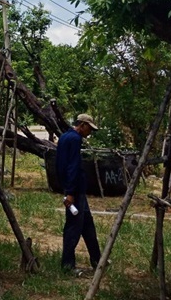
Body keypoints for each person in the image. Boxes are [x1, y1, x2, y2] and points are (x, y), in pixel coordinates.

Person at [55, 113, 102, 275]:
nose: (90, 132)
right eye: (89, 128)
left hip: (75, 188)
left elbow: (59, 164)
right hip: (75, 191)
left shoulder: (64, 137)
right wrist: (70, 192)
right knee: (73, 228)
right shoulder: (75, 140)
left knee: (88, 225)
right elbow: (72, 166)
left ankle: (98, 260)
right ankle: (68, 265)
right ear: (82, 125)